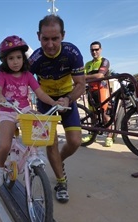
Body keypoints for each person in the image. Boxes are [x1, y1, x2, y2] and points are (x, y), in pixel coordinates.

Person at [28, 15, 86, 203]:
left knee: (75, 141)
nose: (50, 44)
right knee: (50, 142)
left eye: (55, 38)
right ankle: (61, 181)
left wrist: (68, 99)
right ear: (38, 36)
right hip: (45, 102)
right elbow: (22, 82)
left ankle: (58, 162)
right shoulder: (34, 59)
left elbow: (80, 84)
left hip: (67, 99)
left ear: (63, 35)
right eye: (46, 39)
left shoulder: (73, 53)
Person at [0, 35, 61, 188]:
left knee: (40, 123)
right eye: (11, 58)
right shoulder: (2, 75)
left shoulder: (28, 75)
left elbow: (40, 93)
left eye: (18, 57)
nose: (15, 61)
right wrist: (1, 98)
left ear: (24, 58)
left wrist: (53, 102)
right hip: (8, 111)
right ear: (5, 60)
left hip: (24, 110)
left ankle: (36, 152)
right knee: (4, 145)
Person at [83, 41, 113, 147]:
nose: (94, 52)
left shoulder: (104, 61)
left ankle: (109, 136)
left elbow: (100, 76)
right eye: (92, 50)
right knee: (92, 115)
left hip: (102, 90)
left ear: (100, 49)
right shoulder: (88, 64)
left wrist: (87, 77)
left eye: (96, 49)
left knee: (105, 114)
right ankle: (92, 134)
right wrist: (91, 77)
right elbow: (82, 77)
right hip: (91, 91)